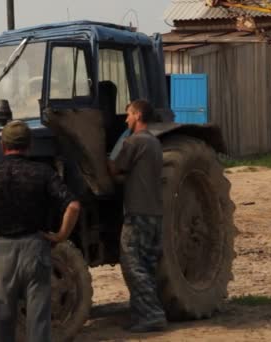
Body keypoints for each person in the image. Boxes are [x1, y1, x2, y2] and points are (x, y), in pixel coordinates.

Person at [0, 120, 81, 342]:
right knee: (38, 322)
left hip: (1, 251)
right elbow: (73, 206)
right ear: (29, 146)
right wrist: (60, 236)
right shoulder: (43, 172)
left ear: (3, 146)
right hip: (35, 248)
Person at [108, 99, 167, 333]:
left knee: (133, 265)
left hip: (138, 213)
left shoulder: (134, 141)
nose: (126, 119)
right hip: (154, 213)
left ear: (139, 115)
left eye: (129, 114)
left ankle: (151, 316)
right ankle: (142, 314)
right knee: (148, 265)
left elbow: (114, 168)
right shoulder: (154, 142)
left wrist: (110, 157)